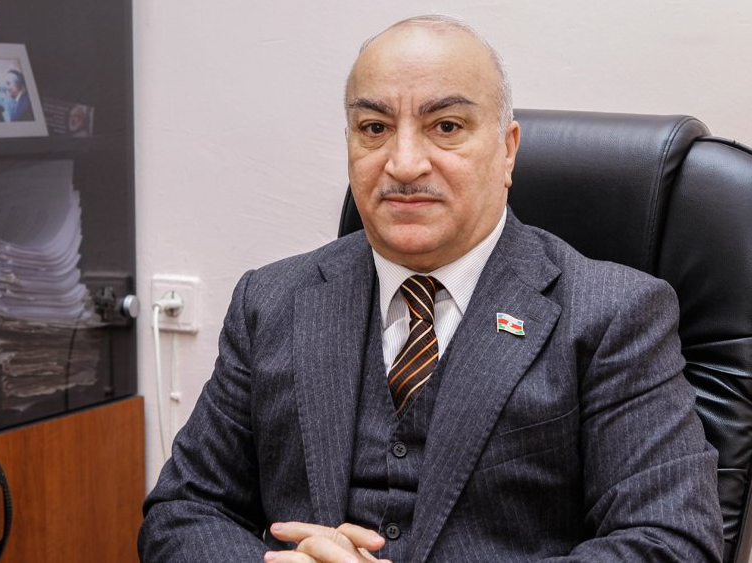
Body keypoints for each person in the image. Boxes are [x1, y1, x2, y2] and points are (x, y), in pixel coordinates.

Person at [138, 14, 722, 563]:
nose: (405, 163)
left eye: (446, 127)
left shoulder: (615, 314)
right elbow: (182, 511)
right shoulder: (270, 302)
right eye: (375, 128)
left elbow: (671, 542)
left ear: (507, 150)